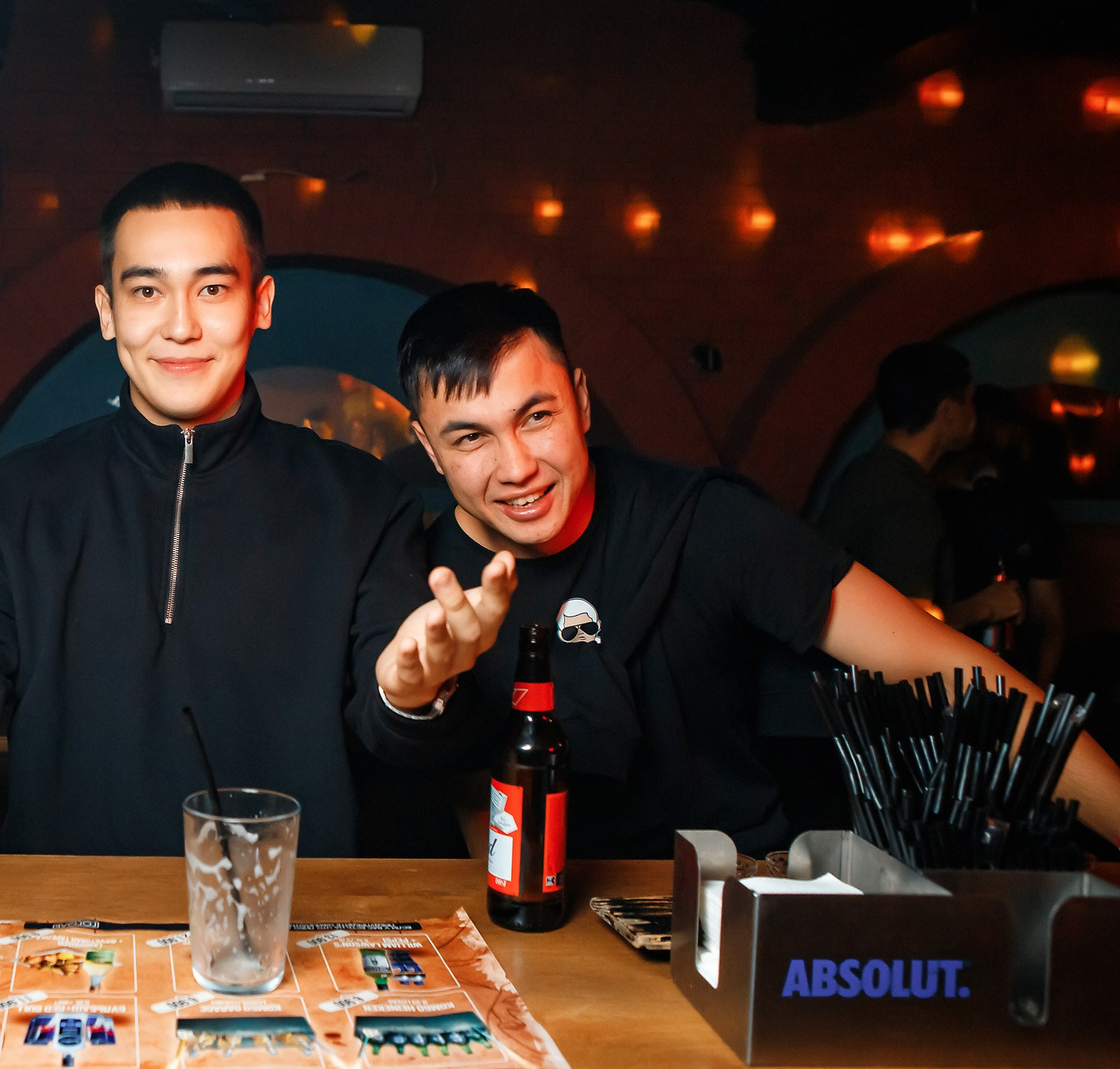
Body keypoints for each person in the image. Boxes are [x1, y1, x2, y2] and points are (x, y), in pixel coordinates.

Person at [0, 163, 515, 856]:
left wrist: (415, 693)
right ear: (107, 312)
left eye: (212, 289)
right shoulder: (12, 500)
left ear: (261, 304)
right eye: (146, 291)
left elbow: (399, 732)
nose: (180, 326)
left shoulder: (362, 500)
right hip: (67, 914)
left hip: (290, 912)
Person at [399, 282, 1120, 858]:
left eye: (536, 417)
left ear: (581, 401)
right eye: (471, 438)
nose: (518, 467)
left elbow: (948, 669)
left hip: (735, 897)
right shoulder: (415, 582)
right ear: (429, 449)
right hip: (544, 919)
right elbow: (469, 802)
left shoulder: (709, 522)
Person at [816, 342, 1022, 633]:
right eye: (970, 401)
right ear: (947, 411)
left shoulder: (865, 472)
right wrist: (985, 606)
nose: (975, 415)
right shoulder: (907, 500)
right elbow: (905, 628)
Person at [936, 384, 1067, 684]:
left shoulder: (1029, 512)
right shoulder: (930, 504)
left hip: (1003, 672)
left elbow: (1051, 624)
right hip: (939, 669)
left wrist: (1036, 696)